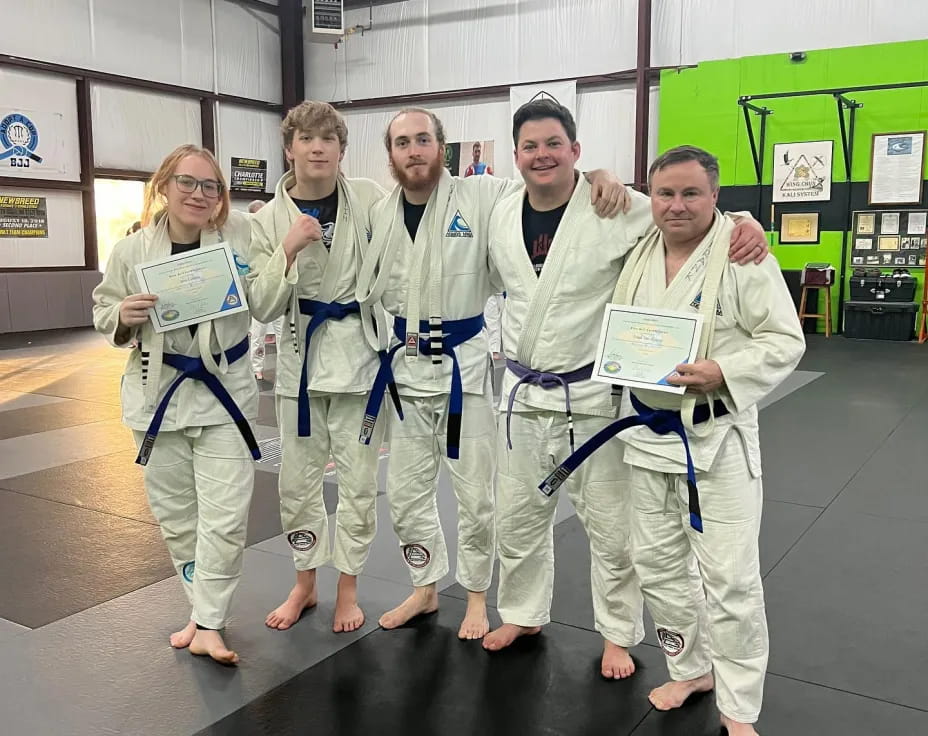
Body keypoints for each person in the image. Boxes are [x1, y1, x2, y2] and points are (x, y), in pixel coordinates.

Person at [482, 101, 771, 681]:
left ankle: (616, 632)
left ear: (576, 151)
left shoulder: (613, 206)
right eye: (530, 146)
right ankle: (521, 612)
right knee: (516, 518)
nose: (542, 155)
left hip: (593, 398)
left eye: (553, 144)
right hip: (521, 393)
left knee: (611, 528)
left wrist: (745, 221)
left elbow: (686, 211)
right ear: (516, 156)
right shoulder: (499, 210)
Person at [545, 145, 805, 733]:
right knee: (657, 566)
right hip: (644, 439)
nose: (677, 205)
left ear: (716, 196)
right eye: (666, 193)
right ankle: (689, 668)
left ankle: (739, 709)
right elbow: (596, 195)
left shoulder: (741, 253)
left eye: (692, 193)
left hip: (715, 441)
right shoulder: (639, 247)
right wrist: (601, 174)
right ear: (652, 198)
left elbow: (785, 341)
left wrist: (724, 371)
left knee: (731, 580)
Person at [355, 107, 626, 640]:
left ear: (442, 147)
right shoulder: (378, 213)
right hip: (405, 371)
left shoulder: (484, 197)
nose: (414, 151)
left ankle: (477, 595)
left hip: (466, 371)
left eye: (424, 140)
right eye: (403, 142)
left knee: (476, 494)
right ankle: (424, 585)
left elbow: (547, 183)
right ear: (390, 155)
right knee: (405, 495)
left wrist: (598, 175)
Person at [92, 144, 259, 665]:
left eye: (210, 186)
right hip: (156, 394)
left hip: (223, 392)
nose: (199, 194)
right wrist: (122, 313)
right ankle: (204, 613)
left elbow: (268, 290)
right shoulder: (131, 251)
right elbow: (103, 309)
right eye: (188, 182)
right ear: (164, 185)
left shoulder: (240, 237)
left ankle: (209, 621)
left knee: (226, 516)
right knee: (177, 516)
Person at [246, 101, 387, 633]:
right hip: (301, 368)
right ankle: (304, 584)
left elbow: (428, 203)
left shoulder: (371, 198)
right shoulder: (269, 220)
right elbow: (261, 307)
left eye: (328, 138)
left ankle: (347, 588)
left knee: (357, 483)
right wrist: (287, 248)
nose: (318, 147)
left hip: (358, 363)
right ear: (290, 149)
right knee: (298, 484)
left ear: (342, 149)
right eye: (307, 138)